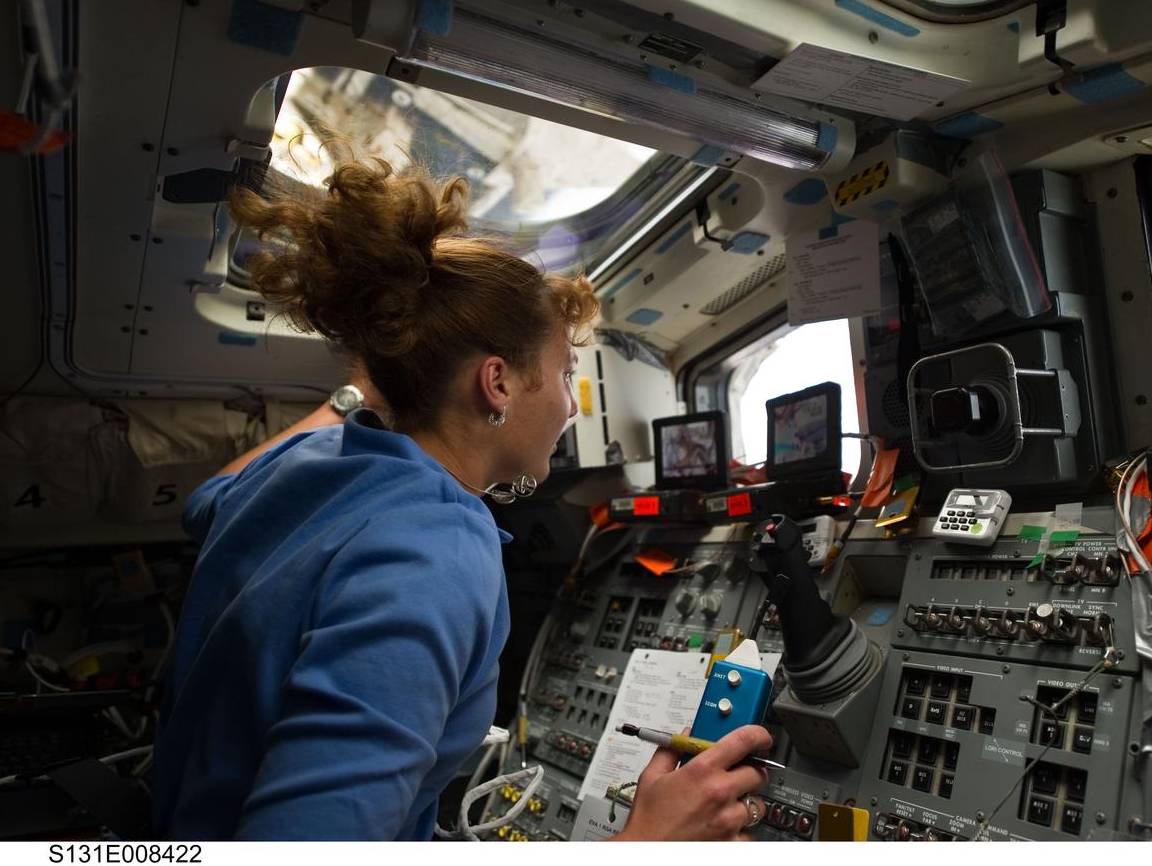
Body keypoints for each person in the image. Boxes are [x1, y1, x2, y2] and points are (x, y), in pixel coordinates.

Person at [150, 156, 772, 840]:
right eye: (565, 373)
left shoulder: (309, 459)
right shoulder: (435, 556)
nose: (571, 407)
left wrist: (366, 391)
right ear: (497, 383)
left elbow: (206, 502)